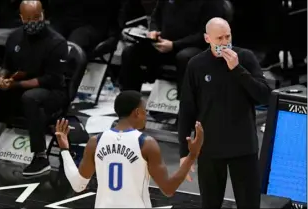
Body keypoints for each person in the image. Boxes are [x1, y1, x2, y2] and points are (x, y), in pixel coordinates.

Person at [178, 17, 272, 208]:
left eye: (227, 37)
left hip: (243, 146)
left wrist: (238, 70)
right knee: (210, 204)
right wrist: (184, 153)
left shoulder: (245, 57)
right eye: (219, 38)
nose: (224, 42)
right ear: (207, 39)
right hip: (210, 148)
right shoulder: (196, 65)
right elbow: (187, 109)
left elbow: (265, 96)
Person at [55, 90, 203, 208]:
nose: (146, 116)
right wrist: (192, 155)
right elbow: (169, 189)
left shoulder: (95, 141)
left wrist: (64, 150)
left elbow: (78, 185)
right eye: (145, 111)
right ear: (137, 112)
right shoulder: (146, 143)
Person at [0, 0, 68, 177]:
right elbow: (7, 65)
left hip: (52, 91)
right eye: (28, 18)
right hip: (20, 86)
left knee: (30, 97)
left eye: (37, 17)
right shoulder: (14, 37)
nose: (33, 21)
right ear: (21, 18)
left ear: (43, 14)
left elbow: (51, 78)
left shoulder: (57, 42)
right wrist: (2, 78)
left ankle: (40, 157)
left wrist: (15, 85)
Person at [119, 0, 226, 98]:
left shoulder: (212, 3)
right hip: (164, 44)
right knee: (130, 53)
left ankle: (186, 111)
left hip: (197, 47)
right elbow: (155, 18)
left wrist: (174, 45)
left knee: (185, 57)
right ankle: (129, 104)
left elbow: (207, 35)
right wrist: (153, 31)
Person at [49, 0, 128, 57]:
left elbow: (117, 8)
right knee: (45, 43)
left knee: (73, 50)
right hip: (63, 19)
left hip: (93, 24)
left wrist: (115, 33)